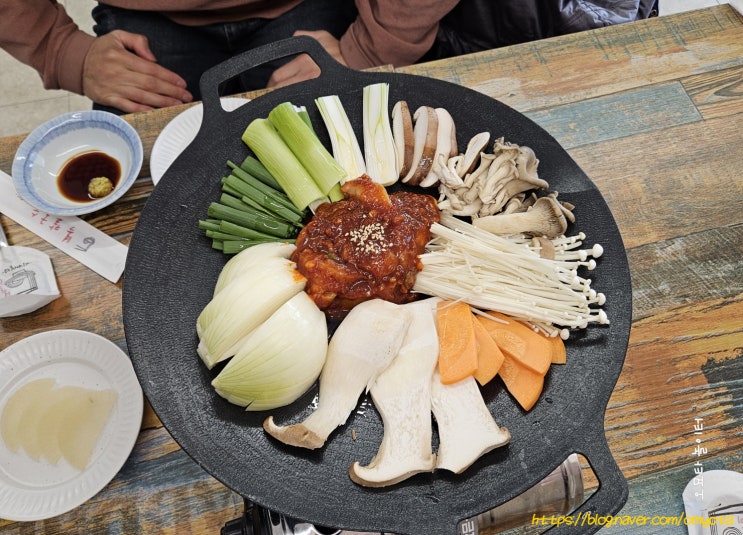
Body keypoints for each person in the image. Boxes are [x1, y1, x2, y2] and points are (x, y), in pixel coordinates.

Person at [0, 1, 657, 115]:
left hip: (311, 7)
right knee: (158, 198)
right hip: (144, 23)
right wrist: (64, 49)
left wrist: (370, 45)